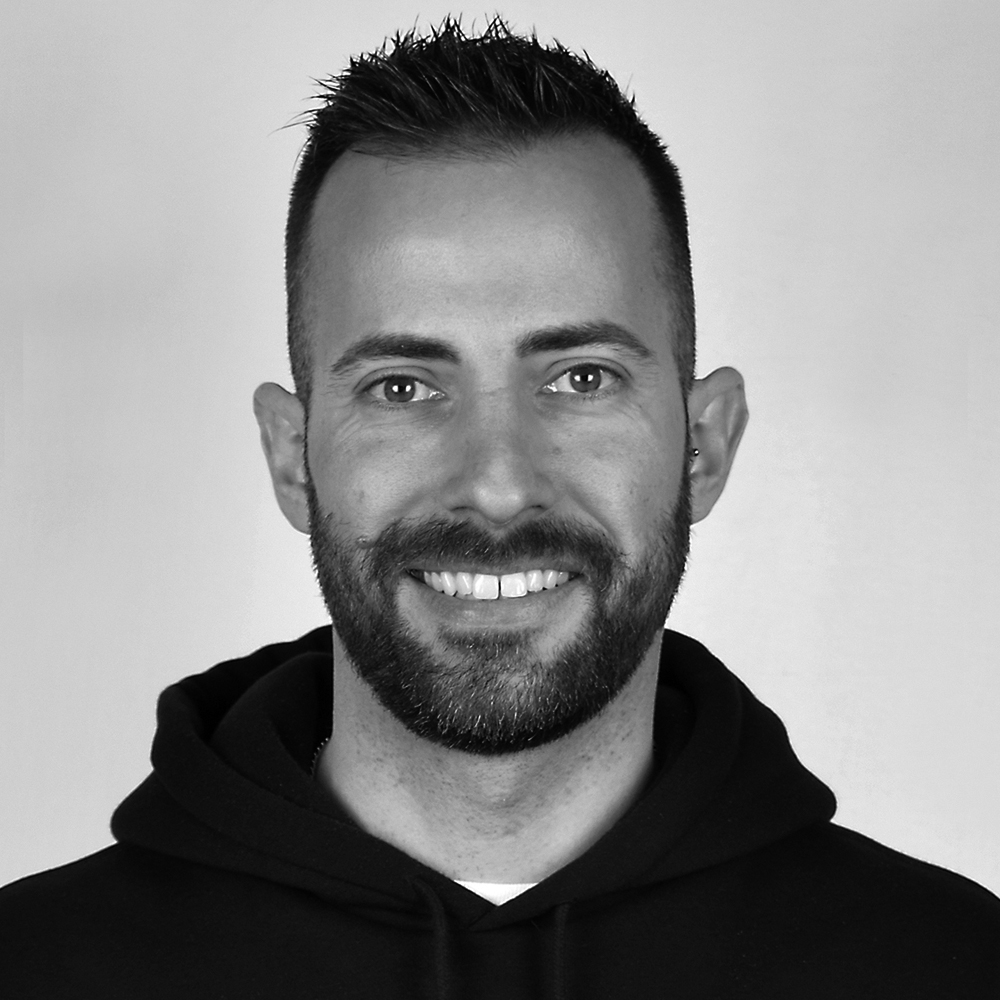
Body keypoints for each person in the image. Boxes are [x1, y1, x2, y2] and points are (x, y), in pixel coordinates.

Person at [1, 17, 997, 999]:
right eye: (402, 387)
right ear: (292, 458)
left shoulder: (949, 965)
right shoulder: (35, 966)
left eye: (580, 379)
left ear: (705, 443)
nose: (497, 485)